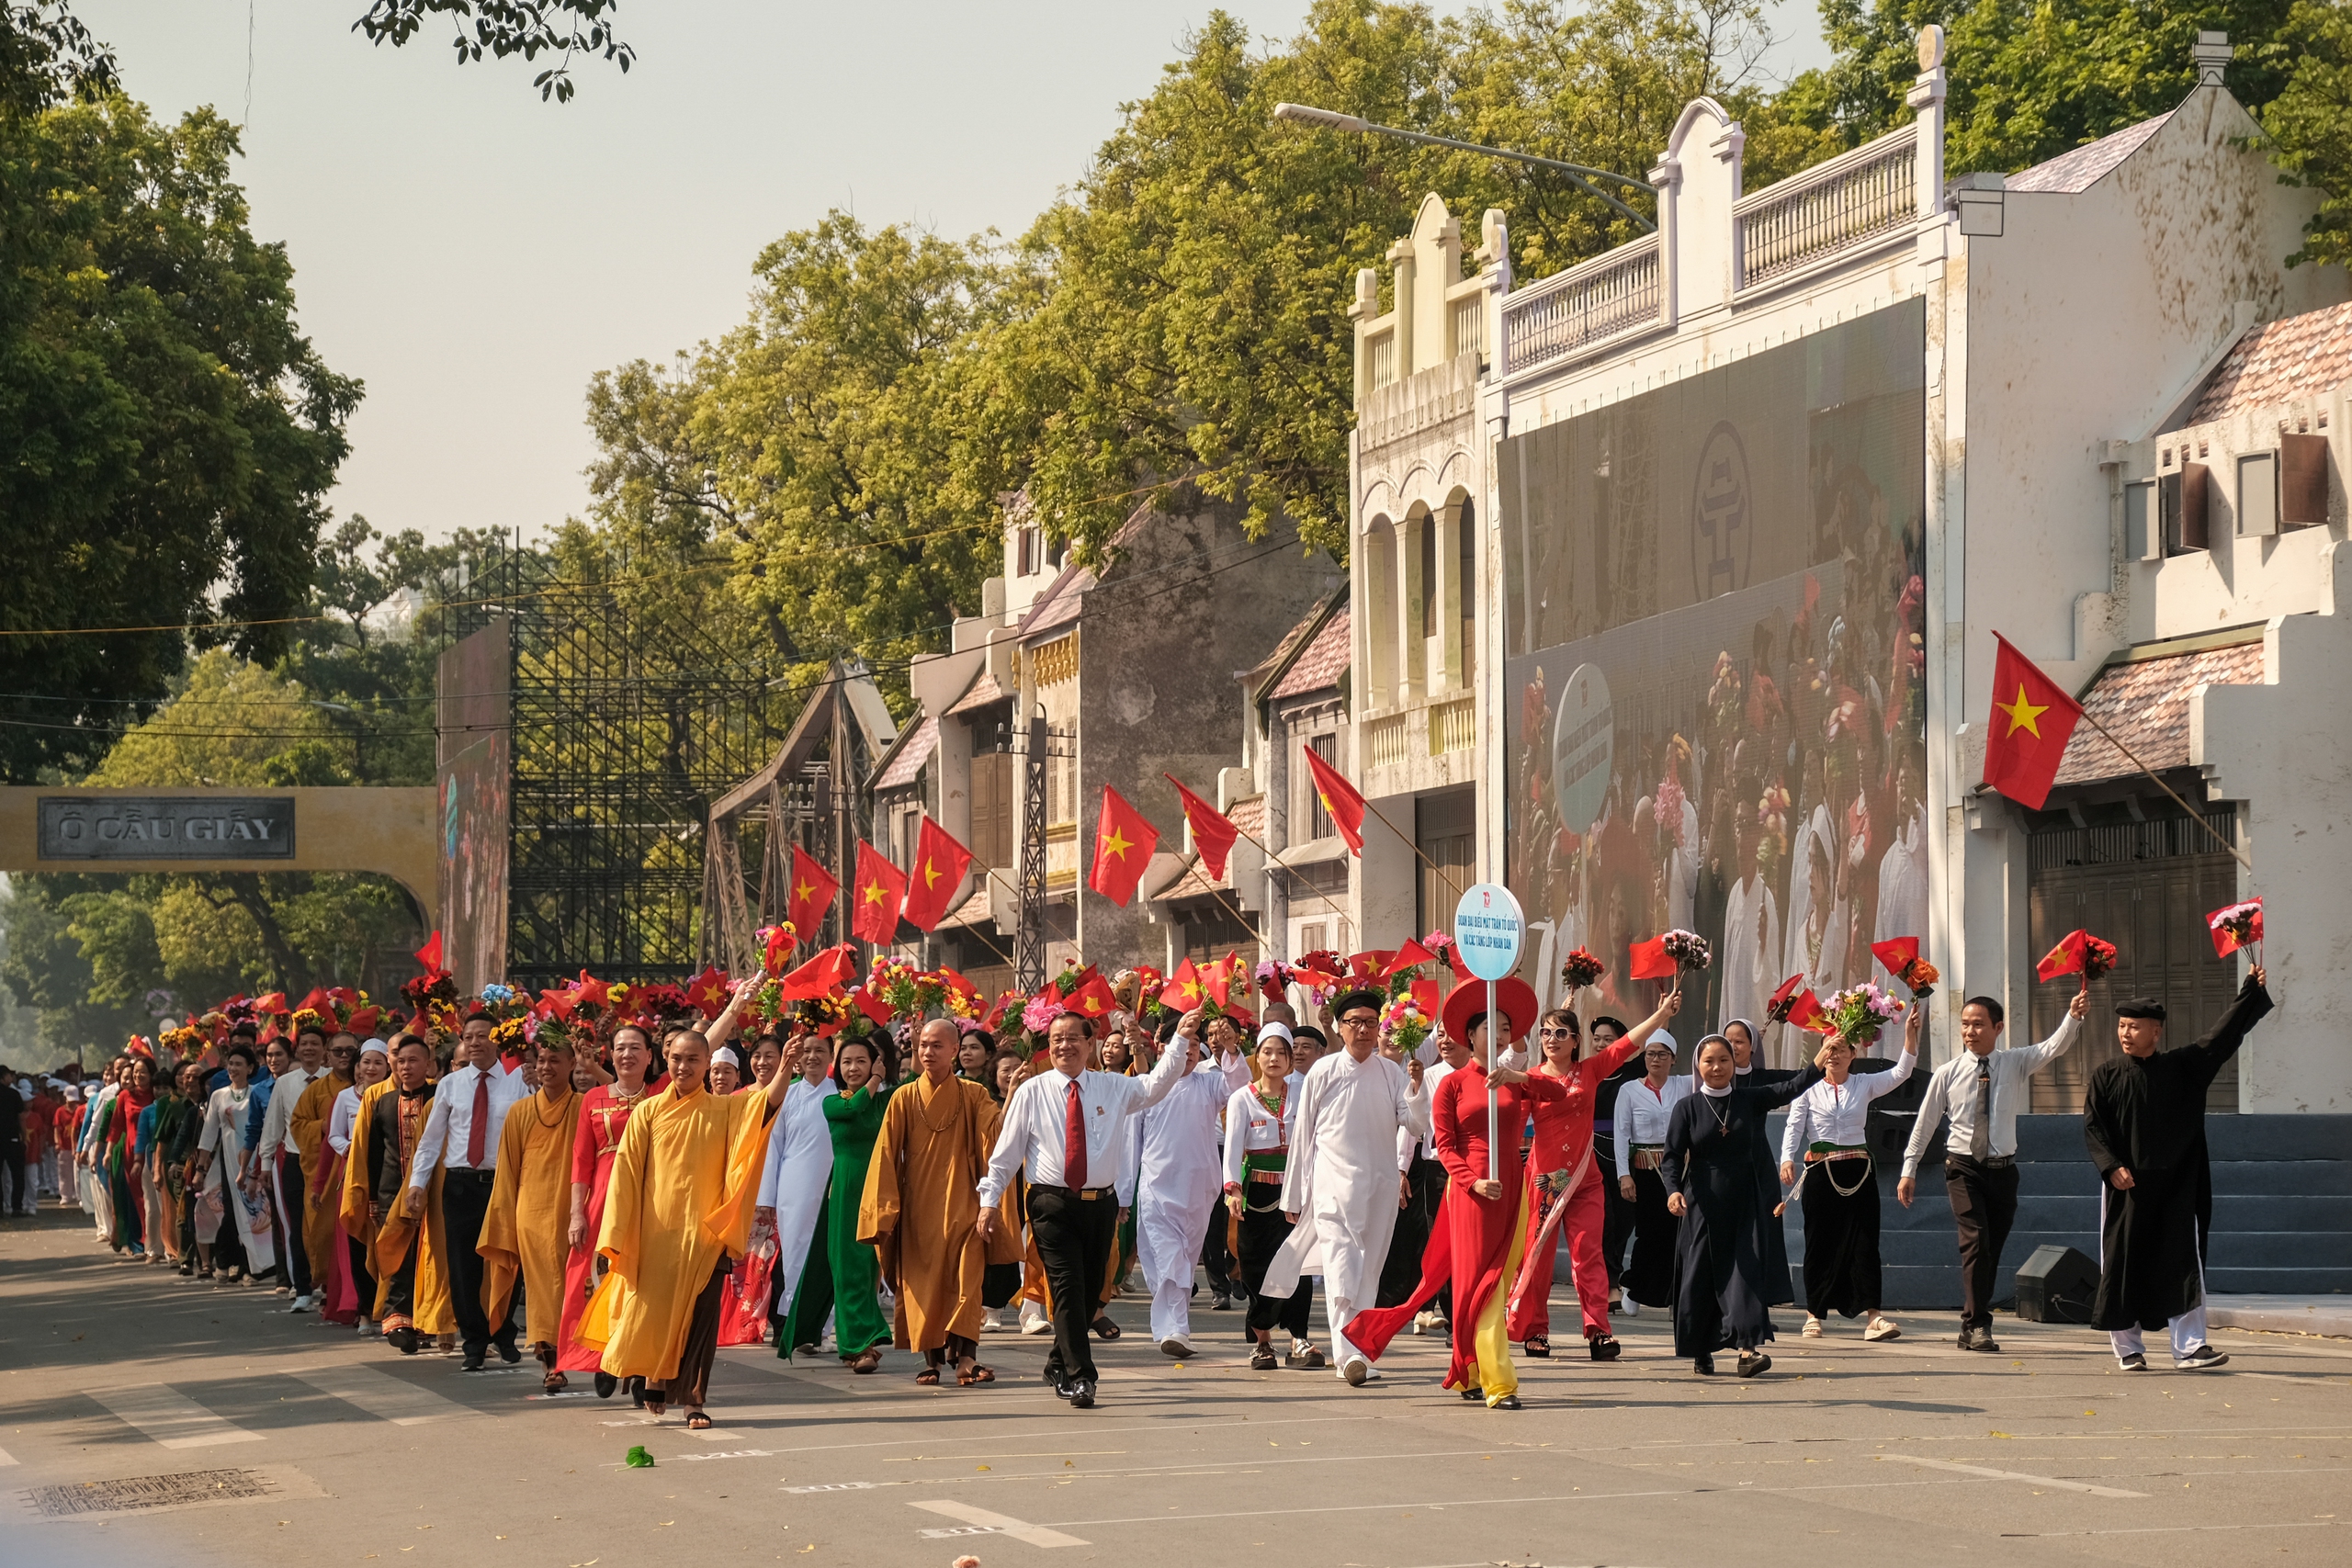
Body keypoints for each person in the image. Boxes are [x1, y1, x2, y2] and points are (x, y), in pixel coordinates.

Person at [583, 980, 786, 1429]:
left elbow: (764, 1111)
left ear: (707, 1064)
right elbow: (626, 1178)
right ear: (666, 1060)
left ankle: (694, 1399)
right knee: (652, 1313)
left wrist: (784, 1068)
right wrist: (616, 1235)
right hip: (654, 1234)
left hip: (705, 1234)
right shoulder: (648, 1112)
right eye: (676, 1058)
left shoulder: (723, 1109)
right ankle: (655, 1376)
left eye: (694, 1059)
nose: (683, 1066)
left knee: (700, 1323)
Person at [977, 1008, 1193, 1408]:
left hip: (1100, 1205)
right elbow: (1005, 1155)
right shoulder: (1032, 1091)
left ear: (1090, 1043)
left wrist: (1179, 1039)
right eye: (1056, 1039)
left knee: (1092, 1290)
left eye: (1073, 1038)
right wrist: (989, 1200)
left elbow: (1157, 1085)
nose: (1064, 1046)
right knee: (1066, 1288)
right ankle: (1082, 1377)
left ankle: (1058, 1361)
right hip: (1050, 1204)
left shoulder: (1112, 1087)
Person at [2083, 969, 2272, 1371]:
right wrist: (2111, 1166)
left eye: (2134, 1026)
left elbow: (2221, 1038)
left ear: (2156, 1032)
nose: (2125, 1033)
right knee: (2121, 1262)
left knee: (2183, 1262)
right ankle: (2128, 1349)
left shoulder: (2184, 1068)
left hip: (2176, 1186)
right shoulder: (2107, 1076)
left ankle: (2190, 1347)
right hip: (2126, 1187)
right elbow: (2094, 1127)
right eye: (2121, 1026)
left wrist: (2251, 991)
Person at [1899, 990, 2086, 1351]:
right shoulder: (1948, 1073)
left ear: (1998, 1027)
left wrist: (2073, 1017)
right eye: (1965, 1025)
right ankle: (1979, 1324)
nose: (1970, 1031)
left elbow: (2053, 1047)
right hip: (1963, 1167)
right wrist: (1910, 1168)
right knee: (1976, 1243)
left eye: (1978, 1024)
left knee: (1991, 1249)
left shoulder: (2015, 1062)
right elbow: (1925, 1124)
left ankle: (1970, 1324)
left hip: (2003, 1170)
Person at [1261, 987, 1429, 1388]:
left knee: (1368, 1271)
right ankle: (1347, 1354)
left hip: (1380, 1188)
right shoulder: (1323, 1071)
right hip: (1333, 1188)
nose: (1364, 1030)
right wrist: (1295, 1195)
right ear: (1340, 1027)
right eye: (1355, 1023)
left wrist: (1418, 1088)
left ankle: (1361, 1351)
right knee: (1341, 1270)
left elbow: (1417, 1126)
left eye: (1372, 1023)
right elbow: (1303, 1135)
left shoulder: (1391, 1072)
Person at [1510, 995, 1680, 1361]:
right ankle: (1536, 1329)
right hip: (1545, 1181)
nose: (1551, 1039)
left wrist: (1661, 1013)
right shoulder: (1530, 1078)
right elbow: (1509, 1122)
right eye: (1545, 1032)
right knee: (1537, 1258)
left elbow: (1626, 1044)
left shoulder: (1589, 1070)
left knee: (1589, 1256)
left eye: (1560, 1032)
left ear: (1575, 1040)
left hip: (1586, 1180)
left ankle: (1599, 1330)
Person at [862, 1017, 1018, 1385]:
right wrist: (883, 1210)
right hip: (919, 1208)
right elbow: (885, 1153)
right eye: (923, 1046)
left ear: (954, 1050)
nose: (928, 1052)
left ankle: (966, 1357)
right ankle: (931, 1358)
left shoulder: (974, 1094)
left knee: (967, 1281)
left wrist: (1011, 1096)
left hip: (966, 1205)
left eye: (937, 1046)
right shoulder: (903, 1096)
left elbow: (997, 1134)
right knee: (925, 1284)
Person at [1661, 1035, 1824, 1376]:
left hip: (1744, 1200)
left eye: (1724, 1060)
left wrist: (1820, 1061)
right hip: (1701, 1202)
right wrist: (1673, 1191)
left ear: (1734, 1065)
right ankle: (1701, 1348)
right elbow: (1672, 1157)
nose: (1717, 1067)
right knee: (1701, 1275)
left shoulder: (1749, 1099)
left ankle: (1747, 1350)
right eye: (1709, 1061)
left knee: (1744, 1272)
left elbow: (1790, 1088)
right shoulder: (1687, 1108)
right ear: (1698, 1066)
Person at [1778, 1006, 1920, 1341]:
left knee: (1865, 1242)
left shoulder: (1864, 1084)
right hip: (1820, 1171)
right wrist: (1787, 1158)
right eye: (1829, 1048)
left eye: (1841, 1048)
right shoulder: (1808, 1087)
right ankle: (1814, 1313)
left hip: (1859, 1171)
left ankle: (1874, 1317)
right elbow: (1794, 1124)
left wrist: (1910, 1037)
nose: (1834, 1054)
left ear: (1854, 1054)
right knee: (1819, 1241)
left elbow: (1901, 1073)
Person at [403, 1010, 531, 1370]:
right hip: (459, 1184)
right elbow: (430, 1141)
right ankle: (474, 1341)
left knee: (506, 1261)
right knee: (463, 1267)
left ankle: (504, 1332)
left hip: (503, 1184)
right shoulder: (451, 1084)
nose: (474, 1043)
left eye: (482, 1036)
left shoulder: (519, 1080)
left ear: (498, 1039)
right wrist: (418, 1183)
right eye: (468, 1037)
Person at [1128, 1014, 1250, 1357]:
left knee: (1183, 1257)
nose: (1192, 1051)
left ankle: (1174, 1325)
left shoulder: (1208, 1084)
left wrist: (1231, 1050)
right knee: (1169, 1259)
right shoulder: (1147, 1087)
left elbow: (1241, 1089)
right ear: (1165, 1048)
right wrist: (1125, 1194)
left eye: (1197, 1045)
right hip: (1157, 1187)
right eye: (1185, 1043)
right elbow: (1131, 1147)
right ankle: (1176, 1328)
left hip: (1199, 1187)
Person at [481, 1037, 595, 1392]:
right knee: (543, 1291)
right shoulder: (519, 1112)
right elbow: (508, 1172)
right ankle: (552, 1363)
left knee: (581, 1287)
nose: (547, 1068)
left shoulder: (584, 1106)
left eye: (555, 1061)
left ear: (572, 1064)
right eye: (542, 1060)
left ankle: (592, 1356)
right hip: (532, 1213)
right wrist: (504, 1220)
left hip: (578, 1211)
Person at [782, 1032, 898, 1371]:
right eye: (847, 1061)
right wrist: (877, 1076)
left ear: (875, 1061)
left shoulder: (884, 1099)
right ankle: (855, 1344)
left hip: (878, 1188)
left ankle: (863, 1336)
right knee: (846, 1265)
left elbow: (915, 1087)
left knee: (867, 1267)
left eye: (862, 1060)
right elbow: (854, 1106)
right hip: (846, 1189)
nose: (853, 1067)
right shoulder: (832, 1101)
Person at [345, 1034, 455, 1355]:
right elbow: (374, 1154)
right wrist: (374, 1200)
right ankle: (398, 1319)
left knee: (432, 1256)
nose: (406, 1067)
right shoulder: (382, 1102)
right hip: (392, 1190)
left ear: (429, 1065)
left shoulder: (439, 1098)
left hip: (434, 1190)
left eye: (414, 1060)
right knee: (397, 1255)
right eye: (401, 1061)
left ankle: (428, 1319)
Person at [1223, 1028, 1323, 1368]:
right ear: (1257, 1057)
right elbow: (1234, 1147)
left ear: (1291, 1058)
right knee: (1255, 1265)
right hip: (1257, 1193)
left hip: (1296, 1190)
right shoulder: (1242, 1098)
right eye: (1267, 1052)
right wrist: (1232, 1188)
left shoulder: (1303, 1091)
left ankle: (1299, 1337)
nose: (1274, 1059)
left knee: (1299, 1263)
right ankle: (1262, 1338)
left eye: (1281, 1052)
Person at [753, 1031, 836, 1348]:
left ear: (831, 1056)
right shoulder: (785, 1095)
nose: (813, 1056)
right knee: (796, 1255)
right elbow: (773, 1147)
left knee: (826, 1256)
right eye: (807, 1051)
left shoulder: (839, 1096)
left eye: (820, 1050)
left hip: (829, 1183)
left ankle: (823, 1327)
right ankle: (796, 1324)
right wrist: (767, 1197)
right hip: (794, 1184)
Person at [255, 1026, 326, 1310]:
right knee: (297, 1227)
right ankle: (303, 1289)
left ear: (324, 1049)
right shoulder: (285, 1084)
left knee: (325, 1226)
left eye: (315, 1044)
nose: (309, 1049)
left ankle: (330, 1285)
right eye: (304, 1044)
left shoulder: (336, 1082)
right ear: (297, 1049)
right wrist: (265, 1164)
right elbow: (271, 1127)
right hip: (296, 1163)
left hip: (328, 1163)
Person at [1614, 1034, 1686, 1313]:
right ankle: (1635, 1285)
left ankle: (1674, 1295)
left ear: (1674, 1059)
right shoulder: (1630, 1090)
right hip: (1645, 1171)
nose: (1655, 1059)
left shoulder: (1685, 1084)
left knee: (1677, 1234)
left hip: (1679, 1171)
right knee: (1648, 1232)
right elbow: (1621, 1135)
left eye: (1662, 1054)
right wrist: (1624, 1175)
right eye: (1650, 1054)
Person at [322, 1039, 390, 1329]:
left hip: (388, 1177)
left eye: (378, 1062)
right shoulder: (346, 1098)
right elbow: (333, 1135)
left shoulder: (395, 1096)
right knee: (358, 1241)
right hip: (355, 1178)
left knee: (387, 1243)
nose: (371, 1067)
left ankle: (388, 1307)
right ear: (358, 1066)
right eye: (366, 1062)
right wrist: (351, 1147)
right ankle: (364, 1309)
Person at [288, 1034, 358, 1316]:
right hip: (327, 1171)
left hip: (361, 1169)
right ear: (327, 1056)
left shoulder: (370, 1086)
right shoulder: (317, 1090)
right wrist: (325, 1126)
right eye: (338, 1051)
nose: (344, 1056)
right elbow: (298, 1125)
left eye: (350, 1051)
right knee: (323, 1232)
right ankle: (331, 1287)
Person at [1587, 1015, 1643, 1316]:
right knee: (1602, 1219)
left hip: (1625, 1154)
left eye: (1608, 1039)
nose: (1601, 1043)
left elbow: (1656, 1040)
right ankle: (1607, 1284)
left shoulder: (1634, 1072)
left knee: (1623, 1220)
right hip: (1592, 1152)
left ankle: (1614, 1277)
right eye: (1597, 1038)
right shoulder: (1588, 1071)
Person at [193, 1046, 260, 1277]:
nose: (233, 1068)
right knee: (231, 1211)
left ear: (250, 1068)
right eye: (230, 1063)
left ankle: (249, 1267)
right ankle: (226, 1260)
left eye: (239, 1064)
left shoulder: (258, 1093)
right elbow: (209, 1134)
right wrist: (200, 1170)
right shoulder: (218, 1096)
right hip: (227, 1160)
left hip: (253, 1159)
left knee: (254, 1213)